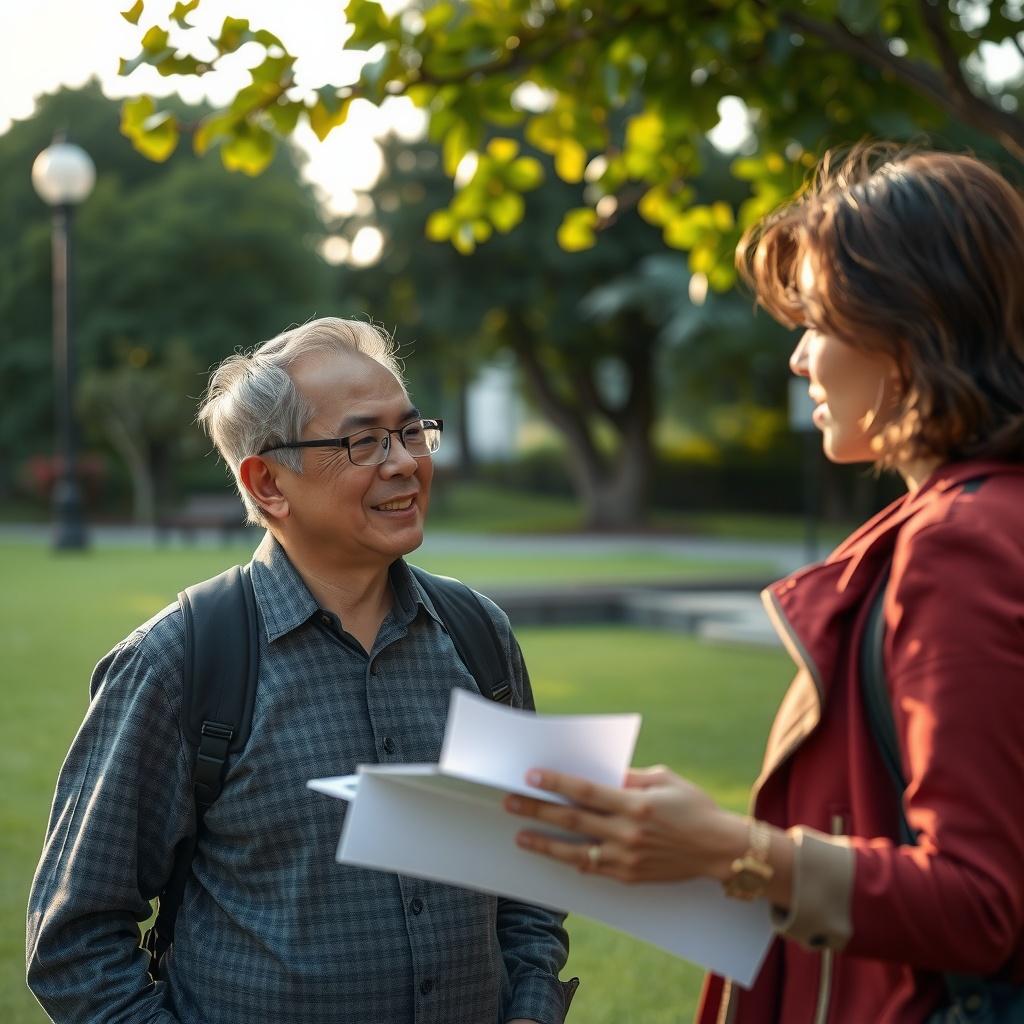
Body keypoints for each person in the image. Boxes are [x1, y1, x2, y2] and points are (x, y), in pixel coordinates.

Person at [505, 146, 1024, 1022]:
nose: (798, 360)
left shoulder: (962, 542)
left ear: (906, 335)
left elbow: (982, 905)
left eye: (816, 322)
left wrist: (730, 850)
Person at [27, 317, 574, 1024]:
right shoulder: (179, 664)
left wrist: (530, 1008)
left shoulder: (479, 636)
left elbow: (532, 872)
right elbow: (75, 941)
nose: (405, 461)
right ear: (268, 482)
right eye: (362, 440)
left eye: (411, 431)